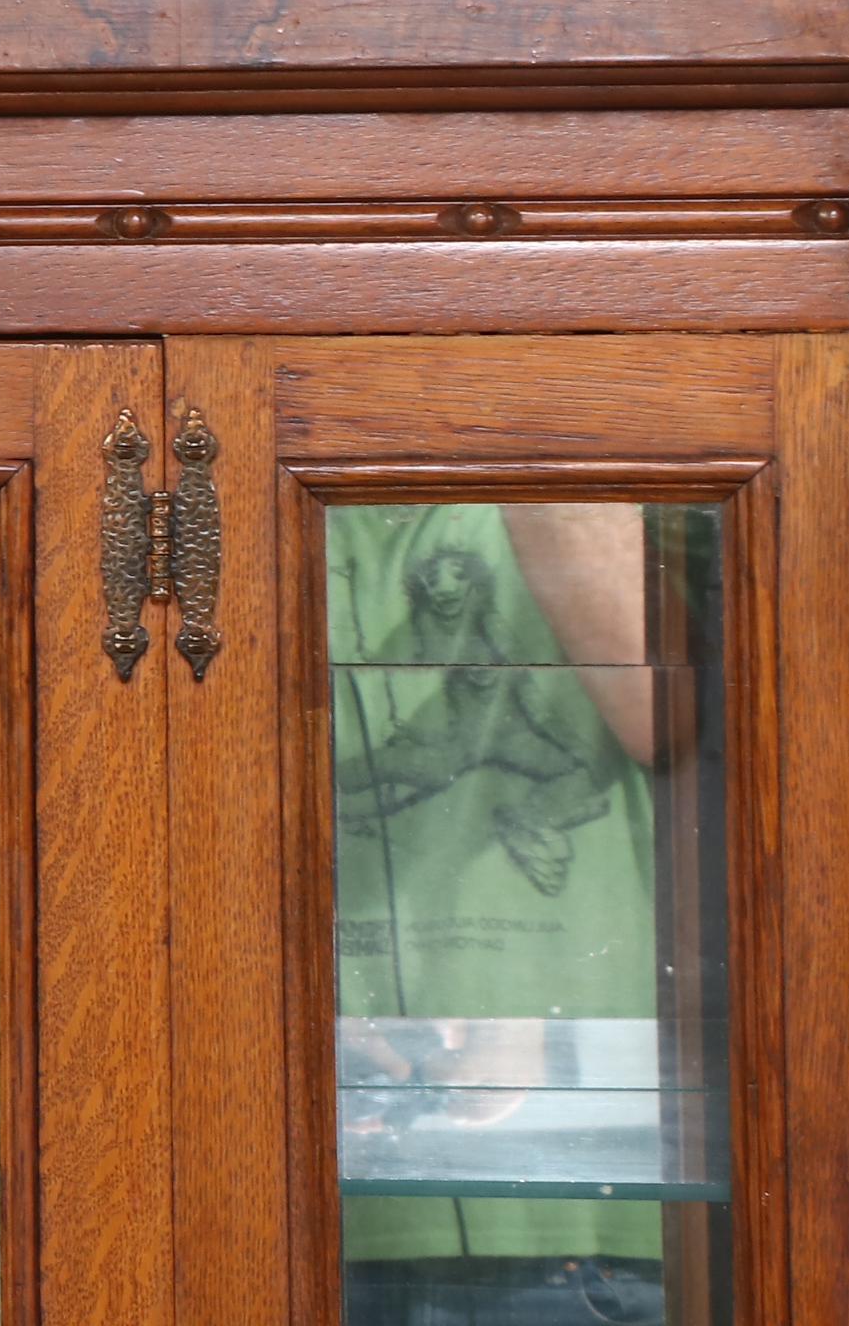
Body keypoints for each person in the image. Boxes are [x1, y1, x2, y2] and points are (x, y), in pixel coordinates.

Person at [332, 502, 699, 1326]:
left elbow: (668, 717)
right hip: (307, 1191)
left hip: (591, 1194)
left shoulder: (595, 489)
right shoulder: (223, 477)